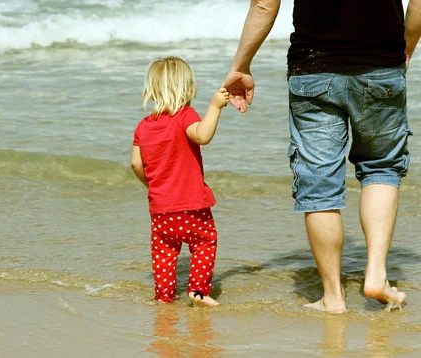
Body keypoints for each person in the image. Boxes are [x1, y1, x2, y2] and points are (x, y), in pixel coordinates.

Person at [224, 0, 421, 312]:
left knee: (319, 184)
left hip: (312, 69)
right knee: (381, 168)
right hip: (382, 65)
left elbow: (264, 4)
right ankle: (376, 274)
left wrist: (240, 66)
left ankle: (333, 296)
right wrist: (406, 48)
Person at [131, 56, 230, 306]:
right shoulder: (185, 115)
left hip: (161, 210)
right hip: (192, 206)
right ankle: (197, 290)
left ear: (152, 90)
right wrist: (215, 106)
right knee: (205, 242)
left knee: (164, 252)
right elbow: (203, 135)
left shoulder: (143, 126)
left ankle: (164, 297)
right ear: (188, 89)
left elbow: (136, 164)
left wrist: (153, 185)